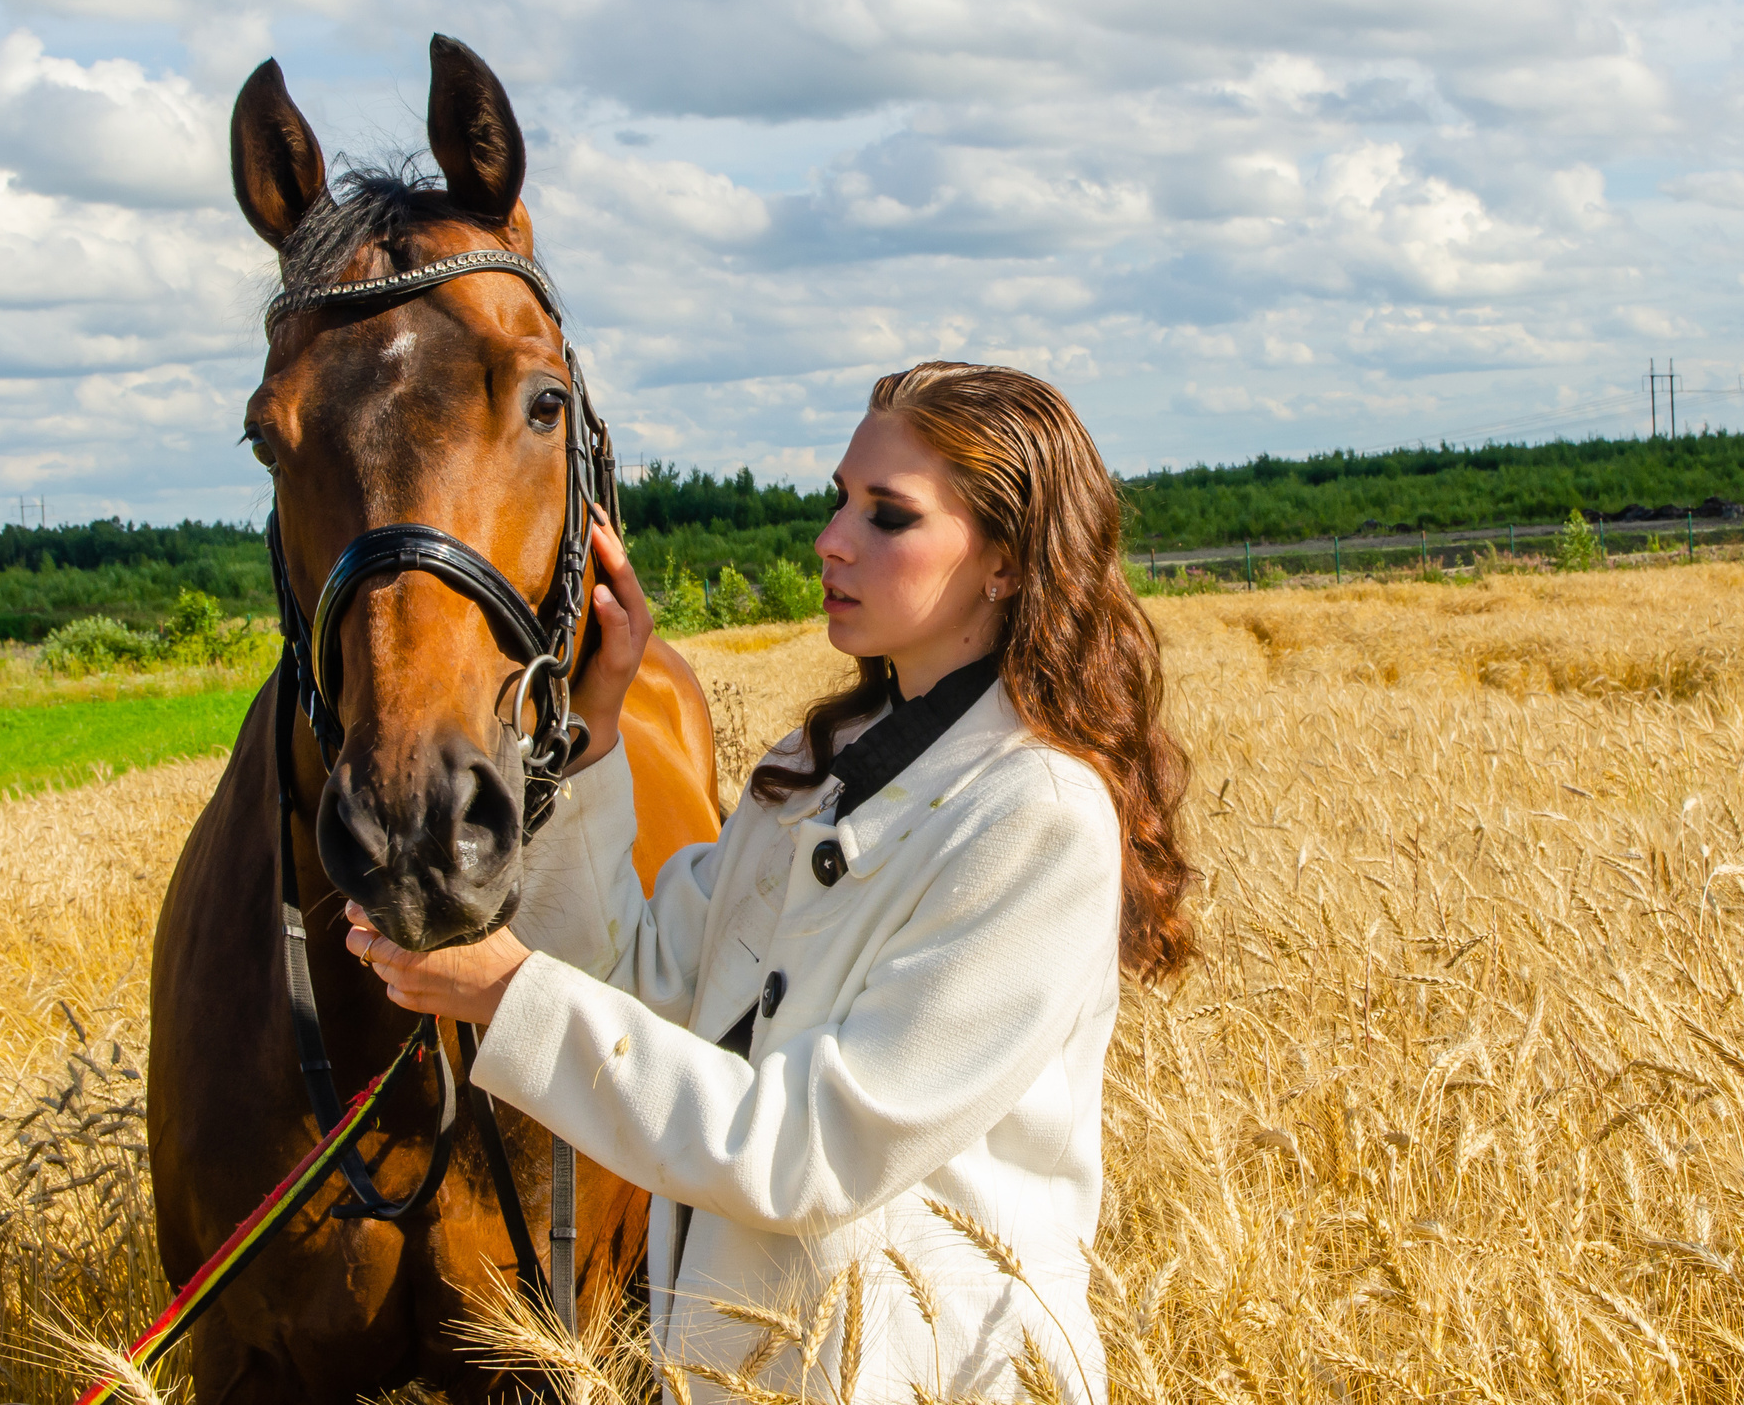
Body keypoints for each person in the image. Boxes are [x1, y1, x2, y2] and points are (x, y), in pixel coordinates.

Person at [345, 361, 1194, 1402]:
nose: (831, 539)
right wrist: (595, 731)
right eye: (840, 500)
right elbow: (632, 976)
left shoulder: (1037, 818)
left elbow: (812, 1152)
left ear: (1008, 563)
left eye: (888, 515)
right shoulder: (813, 770)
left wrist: (509, 994)